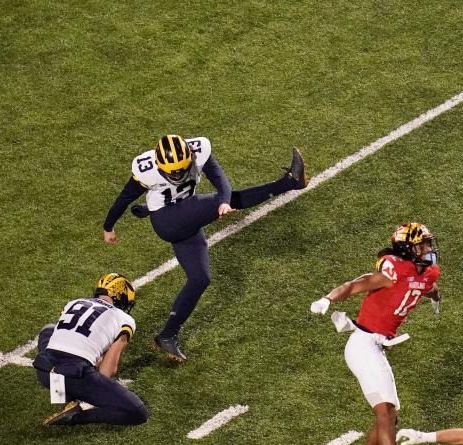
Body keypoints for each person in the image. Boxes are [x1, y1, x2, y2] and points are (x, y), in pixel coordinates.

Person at [102, 134, 308, 362]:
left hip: (185, 219)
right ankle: (290, 182)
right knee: (217, 200)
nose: (178, 175)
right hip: (169, 222)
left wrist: (224, 201)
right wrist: (108, 227)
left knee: (201, 279)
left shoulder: (199, 150)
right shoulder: (146, 169)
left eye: (182, 169)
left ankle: (168, 335)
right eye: (173, 172)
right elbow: (124, 198)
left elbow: (221, 182)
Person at [310, 223, 440, 445]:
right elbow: (358, 284)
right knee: (386, 413)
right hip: (363, 344)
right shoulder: (392, 271)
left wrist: (433, 295)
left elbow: (426, 286)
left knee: (389, 416)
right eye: (422, 245)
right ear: (408, 250)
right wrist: (328, 298)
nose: (429, 250)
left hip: (378, 347)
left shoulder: (428, 273)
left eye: (429, 244)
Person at [33, 273, 148, 427]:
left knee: (49, 329)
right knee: (138, 412)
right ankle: (75, 416)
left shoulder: (73, 302)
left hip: (45, 371)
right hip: (74, 375)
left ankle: (60, 396)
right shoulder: (125, 319)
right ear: (120, 297)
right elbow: (107, 371)